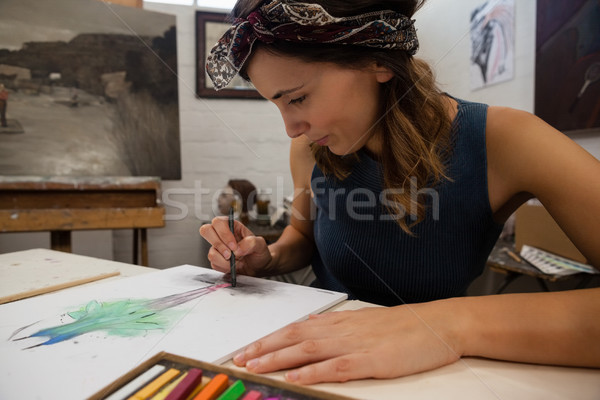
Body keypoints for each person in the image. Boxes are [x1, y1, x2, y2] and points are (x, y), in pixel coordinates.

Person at [200, 0, 600, 384]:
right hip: (315, 359)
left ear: (376, 58)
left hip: (439, 377)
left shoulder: (506, 140)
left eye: (299, 98)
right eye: (278, 104)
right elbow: (303, 237)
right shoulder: (310, 149)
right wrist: (265, 259)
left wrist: (450, 324)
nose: (291, 127)